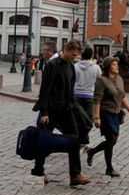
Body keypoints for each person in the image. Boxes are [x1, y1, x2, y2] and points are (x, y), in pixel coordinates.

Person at [32, 39, 89, 186]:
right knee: (42, 140)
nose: (75, 57)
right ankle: (38, 170)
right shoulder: (52, 65)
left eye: (77, 55)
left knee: (75, 139)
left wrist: (76, 110)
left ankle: (75, 175)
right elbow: (45, 90)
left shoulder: (71, 66)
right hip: (50, 111)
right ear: (66, 50)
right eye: (73, 54)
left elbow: (70, 91)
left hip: (66, 110)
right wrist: (44, 112)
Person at [86, 56, 129, 177]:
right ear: (108, 67)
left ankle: (92, 151)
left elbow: (122, 96)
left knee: (113, 140)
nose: (117, 66)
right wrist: (96, 117)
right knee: (111, 139)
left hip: (116, 113)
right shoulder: (101, 80)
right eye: (114, 64)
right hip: (105, 113)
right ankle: (109, 168)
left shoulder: (119, 79)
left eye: (117, 64)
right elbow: (97, 100)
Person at [74, 46, 101, 147]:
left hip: (76, 95)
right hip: (90, 95)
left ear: (81, 55)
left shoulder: (75, 66)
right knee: (88, 120)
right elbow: (99, 81)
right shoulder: (96, 67)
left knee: (78, 119)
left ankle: (79, 140)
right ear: (92, 55)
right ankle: (83, 140)